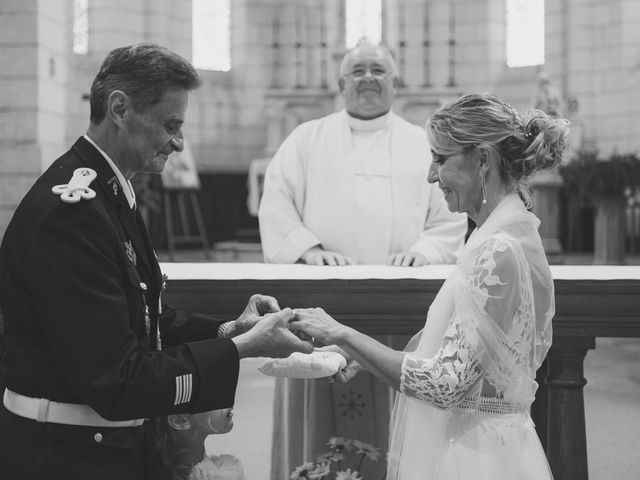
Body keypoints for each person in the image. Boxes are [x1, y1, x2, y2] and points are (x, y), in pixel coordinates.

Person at [0, 43, 312, 480]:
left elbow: (143, 318)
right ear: (120, 108)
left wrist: (228, 330)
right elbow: (118, 380)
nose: (180, 142)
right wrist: (243, 348)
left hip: (99, 447)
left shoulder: (110, 193)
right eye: (171, 124)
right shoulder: (72, 216)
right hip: (64, 457)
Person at [291, 93, 570, 479]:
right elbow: (457, 345)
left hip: (478, 457)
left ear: (483, 159)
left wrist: (344, 333)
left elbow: (445, 385)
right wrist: (362, 353)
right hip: (483, 443)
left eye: (441, 158)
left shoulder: (500, 249)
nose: (430, 175)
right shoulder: (501, 234)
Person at [258, 43, 468, 480]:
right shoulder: (306, 139)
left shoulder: (421, 143)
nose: (368, 78)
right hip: (321, 305)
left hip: (398, 308)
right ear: (340, 84)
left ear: (395, 83)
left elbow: (449, 215)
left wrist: (425, 251)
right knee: (318, 437)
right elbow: (276, 202)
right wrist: (309, 250)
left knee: (396, 424)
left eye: (378, 70)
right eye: (358, 71)